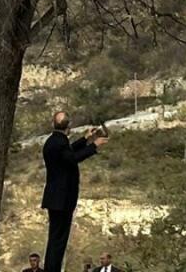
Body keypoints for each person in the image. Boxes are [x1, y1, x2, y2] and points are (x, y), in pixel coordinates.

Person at [40, 111, 109, 272]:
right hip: (62, 199)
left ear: (54, 125)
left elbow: (69, 152)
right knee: (58, 241)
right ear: (68, 127)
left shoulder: (53, 141)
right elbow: (72, 158)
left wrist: (85, 139)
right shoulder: (60, 143)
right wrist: (94, 145)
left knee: (55, 238)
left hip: (55, 198)